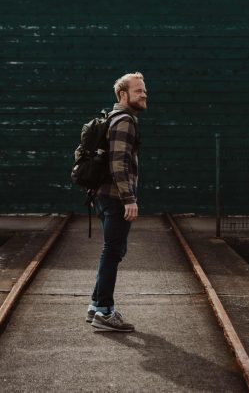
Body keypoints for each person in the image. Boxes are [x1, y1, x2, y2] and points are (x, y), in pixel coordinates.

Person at [88, 71, 147, 332]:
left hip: (104, 196)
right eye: (138, 90)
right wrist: (129, 199)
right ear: (123, 95)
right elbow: (118, 163)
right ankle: (104, 311)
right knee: (112, 252)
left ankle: (95, 306)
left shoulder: (113, 118)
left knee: (112, 250)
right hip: (115, 198)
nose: (144, 94)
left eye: (144, 90)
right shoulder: (125, 120)